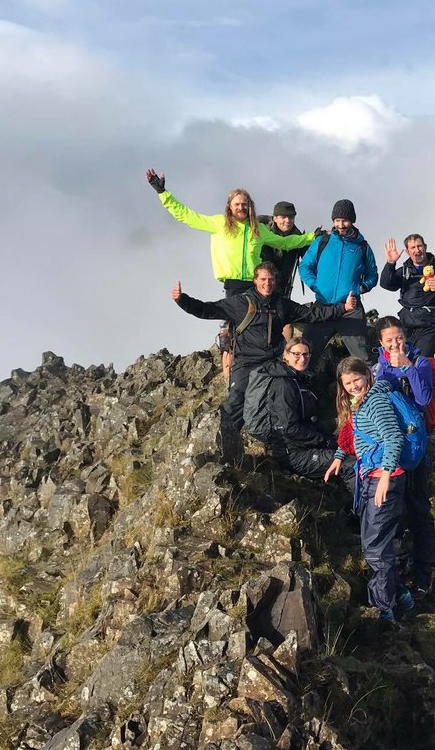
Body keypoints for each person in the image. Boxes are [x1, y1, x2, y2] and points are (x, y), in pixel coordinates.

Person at [145, 169, 317, 372]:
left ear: (250, 206)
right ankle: (231, 380)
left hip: (256, 286)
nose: (241, 207)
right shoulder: (219, 224)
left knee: (263, 328)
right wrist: (162, 192)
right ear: (230, 206)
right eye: (237, 204)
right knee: (232, 334)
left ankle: (268, 370)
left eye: (244, 204)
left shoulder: (257, 229)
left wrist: (311, 237)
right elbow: (185, 215)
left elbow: (286, 242)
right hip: (234, 286)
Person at [171, 263, 357, 436]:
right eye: (263, 279)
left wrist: (343, 308)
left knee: (291, 393)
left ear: (276, 281)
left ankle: (298, 435)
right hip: (246, 362)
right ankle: (225, 442)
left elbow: (312, 314)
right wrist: (182, 300)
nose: (267, 284)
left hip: (274, 361)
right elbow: (207, 309)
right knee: (237, 401)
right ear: (255, 280)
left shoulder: (282, 304)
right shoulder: (240, 303)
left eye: (271, 280)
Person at [325, 358, 414, 621]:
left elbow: (393, 437)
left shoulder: (375, 401)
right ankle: (402, 598)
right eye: (348, 383)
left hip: (383, 478)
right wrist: (340, 456)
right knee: (375, 543)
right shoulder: (359, 403)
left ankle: (384, 609)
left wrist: (386, 476)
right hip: (371, 477)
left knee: (375, 548)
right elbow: (357, 436)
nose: (353, 387)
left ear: (367, 375)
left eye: (357, 380)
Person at [373, 317, 435, 598]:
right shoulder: (378, 369)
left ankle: (424, 574)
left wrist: (408, 368)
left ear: (405, 336)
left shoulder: (420, 362)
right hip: (391, 447)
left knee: (420, 509)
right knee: (393, 512)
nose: (395, 344)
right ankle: (397, 571)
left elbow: (423, 399)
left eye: (398, 338)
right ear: (381, 343)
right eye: (389, 341)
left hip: (417, 446)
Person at [243, 338, 340, 480]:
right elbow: (289, 428)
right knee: (349, 462)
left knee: (350, 451)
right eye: (297, 354)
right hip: (292, 453)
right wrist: (324, 441)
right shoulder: (283, 384)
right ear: (285, 355)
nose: (302, 359)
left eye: (306, 354)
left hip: (302, 446)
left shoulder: (298, 379)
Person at [298, 199, 379, 364]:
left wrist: (361, 288)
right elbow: (305, 266)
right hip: (323, 306)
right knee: (306, 354)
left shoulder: (362, 247)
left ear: (352, 221)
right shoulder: (323, 241)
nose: (341, 225)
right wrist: (315, 285)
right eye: (337, 221)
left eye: (345, 221)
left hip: (350, 308)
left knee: (362, 359)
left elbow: (372, 275)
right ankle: (301, 388)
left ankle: (372, 389)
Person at [378, 234, 435, 357]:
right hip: (407, 325)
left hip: (431, 325)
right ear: (407, 252)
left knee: (421, 359)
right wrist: (390, 263)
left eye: (419, 246)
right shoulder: (404, 271)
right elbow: (386, 284)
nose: (417, 250)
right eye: (412, 248)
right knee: (403, 360)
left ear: (425, 247)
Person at [259, 200, 314, 303]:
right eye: (283, 217)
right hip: (260, 286)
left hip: (283, 288)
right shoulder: (262, 233)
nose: (288, 220)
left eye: (291, 217)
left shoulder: (300, 239)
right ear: (275, 218)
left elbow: (310, 261)